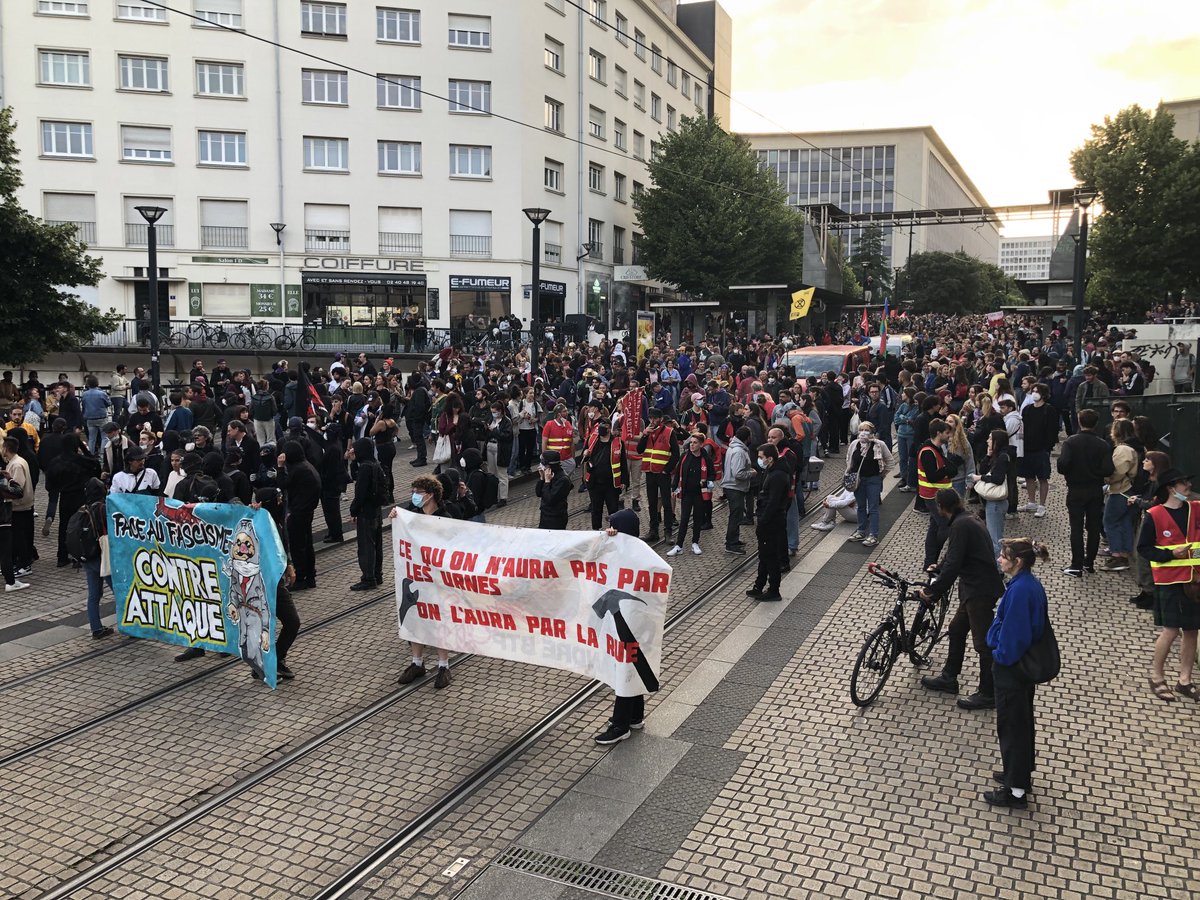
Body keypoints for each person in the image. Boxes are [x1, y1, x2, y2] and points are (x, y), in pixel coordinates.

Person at [919, 489, 1007, 710]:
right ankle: (949, 677)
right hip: (975, 589)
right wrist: (939, 567)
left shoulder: (960, 526)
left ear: (941, 508)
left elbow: (954, 563)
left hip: (978, 591)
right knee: (956, 629)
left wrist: (932, 591)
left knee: (983, 643)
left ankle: (988, 693)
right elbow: (954, 555)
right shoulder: (967, 519)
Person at [985, 537, 1052, 808]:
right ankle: (1017, 774)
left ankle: (1015, 791)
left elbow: (1013, 637)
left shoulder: (1021, 591)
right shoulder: (1027, 585)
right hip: (1021, 668)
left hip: (1012, 670)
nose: (1000, 559)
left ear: (1018, 562)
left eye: (1004, 556)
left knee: (1012, 727)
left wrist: (998, 653)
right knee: (1020, 724)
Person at [1138, 469, 1200, 703]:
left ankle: (1185, 681)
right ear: (1171, 488)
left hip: (1195, 581)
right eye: (1184, 483)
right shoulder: (1154, 515)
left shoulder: (1196, 509)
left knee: (1192, 630)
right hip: (1169, 581)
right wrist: (1171, 554)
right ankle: (1157, 677)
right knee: (1171, 630)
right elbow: (1144, 549)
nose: (1188, 486)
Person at [595, 507, 650, 745]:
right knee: (632, 667)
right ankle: (635, 716)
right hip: (632, 625)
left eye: (614, 527)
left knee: (625, 671)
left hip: (630, 626)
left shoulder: (633, 558)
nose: (610, 530)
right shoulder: (633, 553)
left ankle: (621, 725)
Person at [393, 474, 453, 689]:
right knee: (414, 617)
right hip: (417, 578)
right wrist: (396, 517)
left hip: (437, 581)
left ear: (430, 495)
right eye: (413, 492)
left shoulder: (445, 517)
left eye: (418, 493)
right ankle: (417, 662)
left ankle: (443, 665)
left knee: (438, 620)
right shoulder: (413, 516)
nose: (414, 496)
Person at [1056, 408, 1114, 578]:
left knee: (1076, 528)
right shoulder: (1102, 444)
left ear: (1080, 422)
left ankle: (1076, 564)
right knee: (1094, 527)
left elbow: (1062, 465)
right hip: (1095, 489)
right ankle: (1089, 562)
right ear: (1096, 424)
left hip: (1076, 489)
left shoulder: (1071, 442)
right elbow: (1108, 469)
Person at [746, 443, 788, 601]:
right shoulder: (771, 471)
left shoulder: (777, 475)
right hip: (768, 519)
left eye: (761, 457)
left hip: (771, 521)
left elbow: (773, 501)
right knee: (764, 555)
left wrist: (763, 520)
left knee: (770, 556)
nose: (759, 460)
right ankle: (759, 585)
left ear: (770, 458)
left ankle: (774, 589)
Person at [276, 441, 320, 591]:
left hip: (298, 511)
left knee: (297, 546)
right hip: (306, 510)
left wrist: (280, 467)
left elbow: (282, 484)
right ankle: (310, 576)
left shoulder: (297, 469)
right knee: (307, 544)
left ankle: (301, 578)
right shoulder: (305, 465)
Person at [1100, 418, 1139, 573]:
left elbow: (1118, 471)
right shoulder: (1133, 448)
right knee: (1124, 522)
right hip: (1127, 489)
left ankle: (1117, 554)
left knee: (1110, 521)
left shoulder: (1123, 450)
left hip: (1120, 489)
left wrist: (1107, 479)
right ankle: (1124, 553)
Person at [668, 432, 716, 556]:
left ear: (701, 444)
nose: (692, 445)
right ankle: (679, 545)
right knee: (684, 519)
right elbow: (677, 473)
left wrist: (706, 482)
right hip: (686, 493)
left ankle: (695, 543)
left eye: (695, 443)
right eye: (691, 442)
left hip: (700, 494)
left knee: (697, 519)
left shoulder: (706, 459)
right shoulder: (685, 456)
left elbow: (712, 475)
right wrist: (674, 488)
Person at [846, 421, 892, 548]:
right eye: (861, 430)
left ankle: (873, 535)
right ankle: (861, 531)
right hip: (858, 480)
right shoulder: (855, 444)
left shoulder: (879, 445)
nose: (863, 433)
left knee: (873, 508)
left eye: (866, 430)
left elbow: (890, 461)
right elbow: (849, 458)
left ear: (872, 432)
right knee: (861, 506)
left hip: (873, 480)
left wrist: (882, 475)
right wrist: (850, 472)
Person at [348, 437, 386, 590]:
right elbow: (355, 477)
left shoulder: (365, 467)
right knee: (377, 544)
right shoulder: (375, 464)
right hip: (376, 510)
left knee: (366, 546)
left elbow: (360, 493)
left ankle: (368, 578)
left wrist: (353, 510)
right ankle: (377, 574)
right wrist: (353, 462)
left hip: (366, 512)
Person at [637, 408, 679, 542]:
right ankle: (653, 531)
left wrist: (667, 470)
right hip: (650, 473)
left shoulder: (669, 432)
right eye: (650, 418)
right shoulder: (648, 432)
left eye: (655, 418)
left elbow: (676, 454)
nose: (652, 421)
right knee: (652, 503)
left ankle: (668, 532)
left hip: (663, 473)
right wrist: (644, 435)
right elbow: (639, 450)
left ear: (660, 419)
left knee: (666, 503)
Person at [969, 429, 1011, 557]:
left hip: (996, 503)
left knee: (995, 539)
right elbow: (983, 469)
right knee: (993, 537)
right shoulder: (996, 456)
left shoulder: (1003, 457)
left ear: (997, 441)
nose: (987, 441)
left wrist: (980, 478)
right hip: (992, 503)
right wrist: (988, 455)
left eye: (990, 438)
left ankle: (999, 566)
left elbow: (998, 479)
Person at [1019, 384, 1058, 518]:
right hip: (1027, 448)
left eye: (1037, 391)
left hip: (1041, 449)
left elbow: (1053, 430)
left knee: (1042, 477)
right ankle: (1031, 502)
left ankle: (1042, 505)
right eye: (1033, 391)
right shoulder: (1027, 409)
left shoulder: (1049, 410)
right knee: (1029, 476)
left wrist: (1047, 447)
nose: (1034, 393)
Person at [582, 416, 627, 530]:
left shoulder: (618, 443)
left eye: (604, 426)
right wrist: (585, 454)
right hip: (595, 483)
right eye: (600, 425)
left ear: (609, 428)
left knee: (613, 510)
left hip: (612, 484)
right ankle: (596, 531)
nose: (601, 428)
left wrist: (624, 481)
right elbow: (585, 458)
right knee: (596, 509)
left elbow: (623, 463)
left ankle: (614, 530)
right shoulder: (592, 440)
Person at [720, 425, 753, 554]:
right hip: (734, 486)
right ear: (747, 438)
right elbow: (738, 473)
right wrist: (751, 473)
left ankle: (734, 539)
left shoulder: (734, 448)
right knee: (735, 515)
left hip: (734, 486)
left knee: (737, 514)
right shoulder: (739, 451)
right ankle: (731, 544)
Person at [482, 399, 513, 507]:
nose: (493, 414)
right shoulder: (491, 420)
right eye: (492, 412)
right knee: (492, 473)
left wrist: (494, 431)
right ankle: (493, 497)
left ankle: (503, 497)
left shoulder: (507, 422)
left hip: (501, 449)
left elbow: (507, 436)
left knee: (502, 473)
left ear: (500, 411)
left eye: (495, 412)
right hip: (490, 446)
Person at [536, 450, 572, 530]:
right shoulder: (548, 475)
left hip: (556, 518)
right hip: (545, 515)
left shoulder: (563, 480)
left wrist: (547, 482)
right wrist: (542, 478)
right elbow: (538, 493)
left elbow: (549, 499)